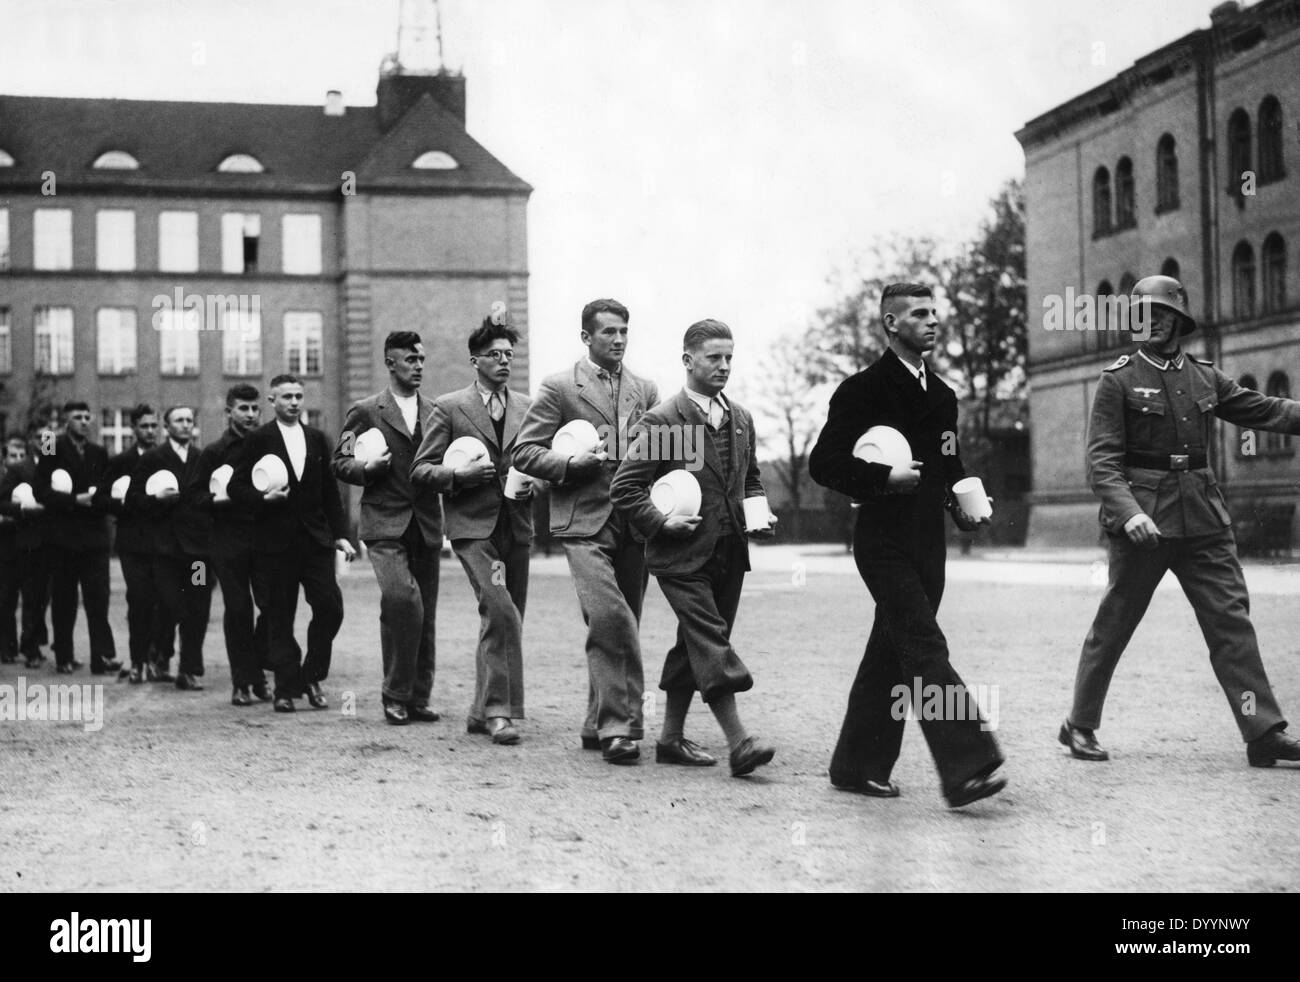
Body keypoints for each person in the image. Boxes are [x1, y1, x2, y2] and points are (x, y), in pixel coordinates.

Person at [1061, 274, 1300, 768]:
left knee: (1230, 622)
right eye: (1140, 313)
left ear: (1178, 321)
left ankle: (1263, 732)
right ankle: (1079, 725)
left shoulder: (1204, 377)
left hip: (1204, 518)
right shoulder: (1117, 380)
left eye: (1157, 313)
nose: (1147, 321)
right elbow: (1102, 463)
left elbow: (1263, 410)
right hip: (1143, 523)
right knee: (1116, 622)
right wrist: (1129, 515)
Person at [807, 283, 1005, 808]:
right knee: (923, 646)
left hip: (928, 545)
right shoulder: (861, 390)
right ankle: (967, 764)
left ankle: (856, 765)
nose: (934, 321)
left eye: (936, 312)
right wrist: (880, 477)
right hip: (882, 542)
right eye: (920, 313)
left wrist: (963, 507)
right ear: (892, 324)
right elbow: (823, 463)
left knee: (892, 653)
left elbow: (948, 466)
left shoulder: (942, 396)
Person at [609, 318, 776, 777]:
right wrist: (661, 523)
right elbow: (625, 489)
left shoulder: (740, 419)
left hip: (730, 553)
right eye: (714, 358)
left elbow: (752, 479)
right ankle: (739, 740)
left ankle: (669, 739)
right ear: (688, 361)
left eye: (729, 358)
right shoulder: (664, 420)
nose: (724, 367)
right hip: (679, 557)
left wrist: (758, 515)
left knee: (692, 645)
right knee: (710, 639)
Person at [513, 298, 659, 764]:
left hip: (633, 522)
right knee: (611, 616)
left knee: (622, 620)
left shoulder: (647, 390)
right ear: (586, 338)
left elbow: (659, 452)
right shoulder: (558, 387)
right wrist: (570, 464)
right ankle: (621, 727)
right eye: (608, 332)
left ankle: (596, 722)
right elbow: (525, 452)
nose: (618, 340)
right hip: (581, 522)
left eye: (623, 332)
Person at [412, 306, 532, 745]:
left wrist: (535, 481)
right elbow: (421, 470)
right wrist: (458, 477)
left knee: (503, 615)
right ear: (475, 361)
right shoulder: (449, 407)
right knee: (501, 609)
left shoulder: (528, 407)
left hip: (516, 526)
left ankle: (480, 711)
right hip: (473, 528)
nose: (504, 361)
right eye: (495, 354)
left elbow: (534, 461)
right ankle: (501, 712)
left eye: (509, 354)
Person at [333, 332, 444, 725]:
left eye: (422, 359)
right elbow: (340, 460)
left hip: (427, 524)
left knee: (423, 613)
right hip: (384, 523)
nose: (418, 366)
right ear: (390, 362)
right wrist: (366, 469)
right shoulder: (364, 411)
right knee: (403, 601)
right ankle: (394, 692)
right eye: (411, 359)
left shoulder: (437, 411)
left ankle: (417, 698)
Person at [227, 375, 354, 713]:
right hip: (274, 543)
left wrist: (341, 534)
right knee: (279, 617)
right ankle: (285, 687)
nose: (295, 402)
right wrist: (263, 497)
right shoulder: (258, 439)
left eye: (299, 395)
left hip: (316, 542)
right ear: (272, 400)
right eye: (287, 397)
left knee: (330, 607)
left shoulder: (317, 439)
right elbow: (237, 489)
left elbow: (330, 491)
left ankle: (312, 674)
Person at [189, 384, 283, 705]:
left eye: (255, 409)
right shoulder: (214, 452)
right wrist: (220, 499)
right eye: (243, 409)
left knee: (271, 606)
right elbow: (195, 497)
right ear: (228, 413)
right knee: (238, 609)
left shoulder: (270, 447)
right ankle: (242, 682)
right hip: (227, 541)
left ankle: (256, 670)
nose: (251, 415)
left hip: (265, 538)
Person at [127, 406, 212, 692]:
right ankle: (157, 653)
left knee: (198, 607)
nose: (186, 425)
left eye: (190, 420)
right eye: (179, 420)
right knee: (172, 605)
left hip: (198, 554)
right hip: (165, 550)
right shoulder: (153, 458)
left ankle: (189, 670)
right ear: (167, 426)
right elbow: (133, 499)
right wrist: (155, 498)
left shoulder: (203, 458)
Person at [33, 402, 120, 676]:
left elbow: (105, 491)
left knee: (98, 600)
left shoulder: (98, 451)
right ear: (66, 421)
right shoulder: (51, 444)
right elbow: (40, 490)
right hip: (63, 538)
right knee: (64, 600)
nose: (84, 421)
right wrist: (73, 500)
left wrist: (101, 500)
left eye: (87, 416)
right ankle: (64, 656)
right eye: (77, 417)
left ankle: (100, 658)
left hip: (95, 538)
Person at [97, 404, 169, 683]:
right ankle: (138, 660)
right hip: (132, 542)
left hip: (163, 542)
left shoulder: (166, 458)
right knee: (139, 598)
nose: (150, 431)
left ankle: (158, 659)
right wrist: (125, 504)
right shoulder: (119, 462)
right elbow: (100, 500)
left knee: (166, 600)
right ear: (133, 429)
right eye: (144, 426)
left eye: (154, 426)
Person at [0, 436, 50, 668]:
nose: (47, 440)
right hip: (25, 542)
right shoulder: (20, 469)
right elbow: (2, 502)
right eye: (42, 437)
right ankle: (23, 648)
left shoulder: (57, 465)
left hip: (52, 543)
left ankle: (34, 644)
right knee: (21, 597)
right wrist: (23, 509)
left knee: (41, 598)